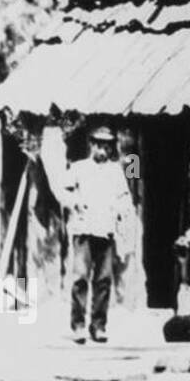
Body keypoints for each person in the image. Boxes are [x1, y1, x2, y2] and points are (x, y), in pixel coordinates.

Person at [61, 125, 136, 344]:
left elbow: (125, 198)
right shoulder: (78, 168)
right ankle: (78, 325)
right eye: (98, 145)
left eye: (107, 146)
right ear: (91, 145)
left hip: (106, 231)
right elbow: (64, 192)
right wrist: (75, 203)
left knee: (103, 280)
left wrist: (124, 216)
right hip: (84, 229)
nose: (102, 150)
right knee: (81, 277)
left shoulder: (116, 171)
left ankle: (99, 325)